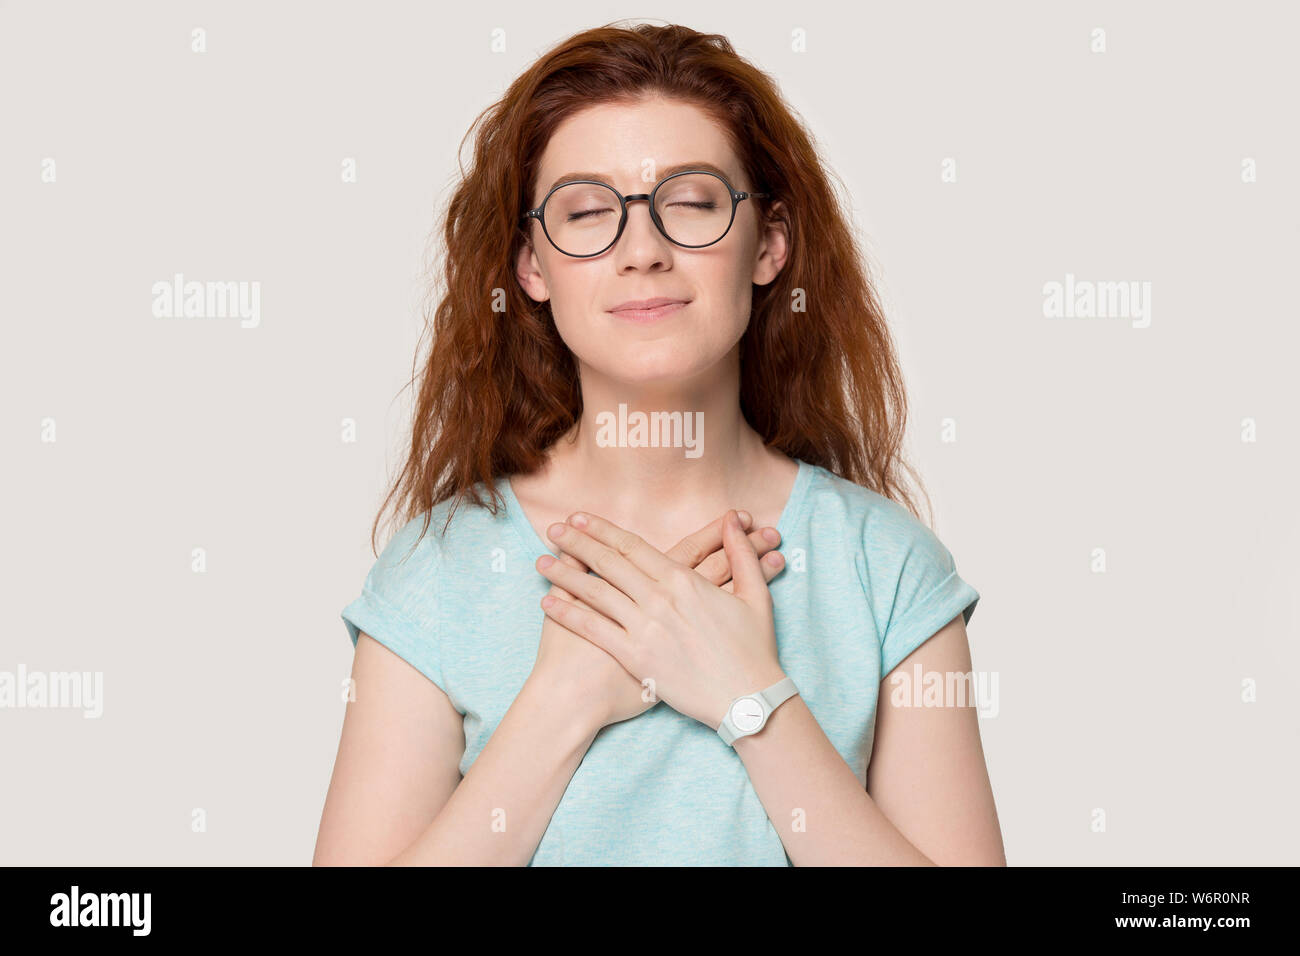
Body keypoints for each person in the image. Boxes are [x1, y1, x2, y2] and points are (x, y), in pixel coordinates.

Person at [314, 21, 1005, 866]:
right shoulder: (438, 573)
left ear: (769, 244)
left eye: (690, 203)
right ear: (532, 267)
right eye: (586, 212)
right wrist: (563, 701)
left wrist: (750, 696)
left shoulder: (887, 570)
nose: (642, 250)